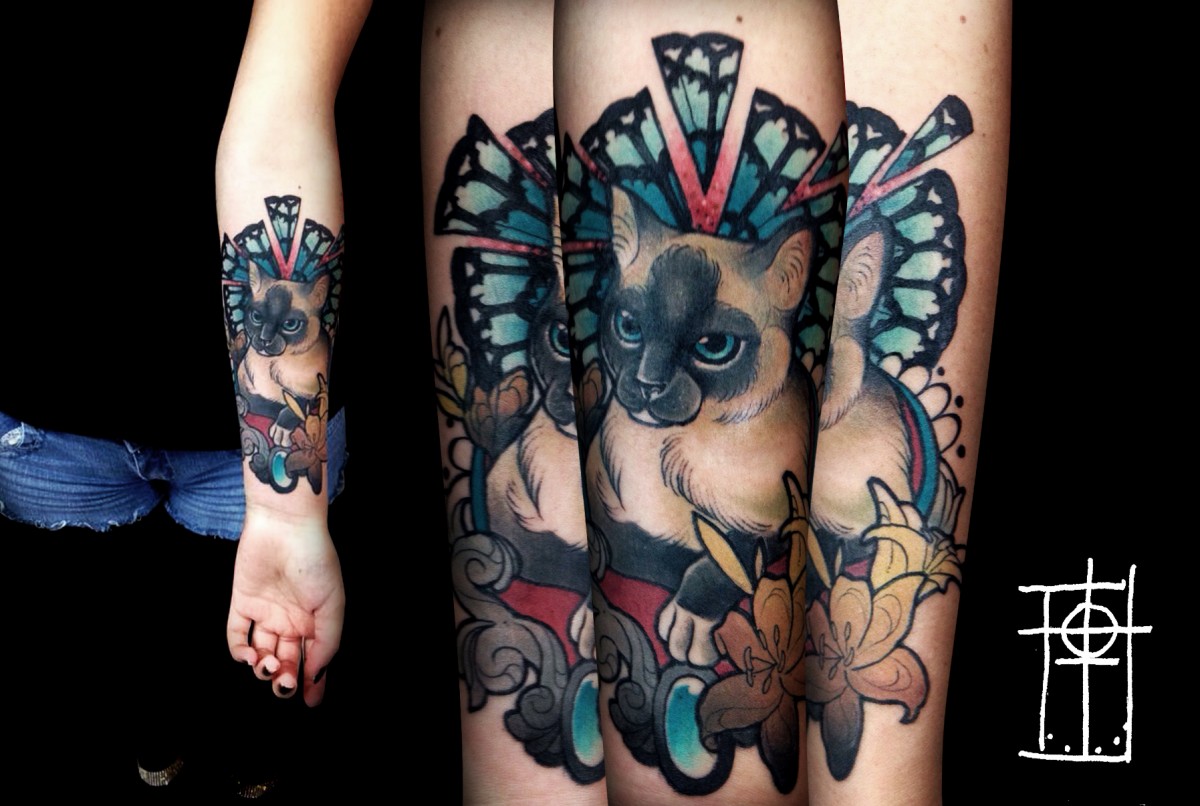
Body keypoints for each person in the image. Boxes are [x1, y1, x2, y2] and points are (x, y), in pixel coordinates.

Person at [1, 0, 371, 794]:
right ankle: (157, 750)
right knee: (113, 630)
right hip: (43, 396)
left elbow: (281, 121)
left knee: (269, 643)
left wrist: (286, 509)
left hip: (263, 418)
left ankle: (250, 767)